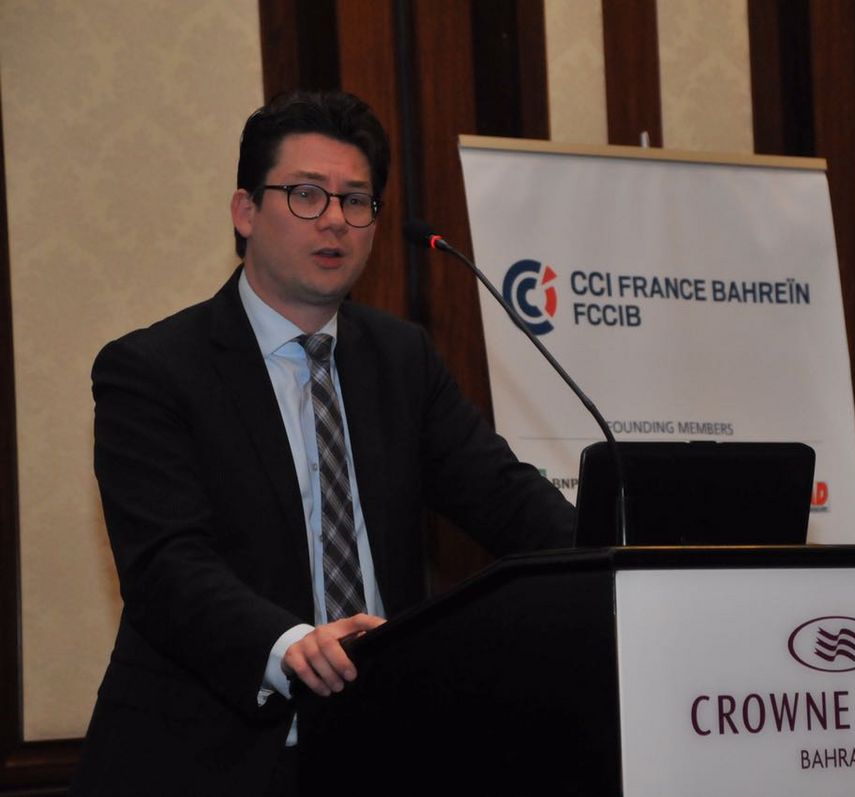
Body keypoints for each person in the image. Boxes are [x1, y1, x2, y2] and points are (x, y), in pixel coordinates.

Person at [71, 91, 575, 796]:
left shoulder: (401, 358)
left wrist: (631, 558)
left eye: (356, 200)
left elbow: (506, 498)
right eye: (306, 194)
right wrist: (291, 646)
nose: (335, 218)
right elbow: (166, 564)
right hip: (210, 758)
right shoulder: (153, 370)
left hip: (379, 745)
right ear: (245, 211)